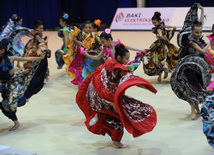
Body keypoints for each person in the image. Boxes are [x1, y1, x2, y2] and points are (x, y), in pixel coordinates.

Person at [76, 44, 157, 148]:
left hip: (104, 94)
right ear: (119, 58)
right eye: (127, 58)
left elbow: (99, 73)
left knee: (113, 116)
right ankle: (113, 134)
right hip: (112, 96)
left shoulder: (109, 62)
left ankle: (99, 116)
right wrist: (147, 87)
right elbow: (132, 81)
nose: (128, 60)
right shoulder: (121, 69)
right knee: (123, 114)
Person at [171, 3, 211, 120]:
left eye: (200, 32)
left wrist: (202, 10)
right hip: (187, 69)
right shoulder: (190, 40)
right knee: (189, 87)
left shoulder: (197, 35)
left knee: (198, 85)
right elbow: (203, 51)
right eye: (197, 32)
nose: (199, 35)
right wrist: (209, 41)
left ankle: (197, 108)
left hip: (198, 67)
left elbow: (201, 22)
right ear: (191, 31)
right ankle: (192, 110)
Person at [0, 39, 45, 131]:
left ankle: (23, 98)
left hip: (13, 84)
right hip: (4, 87)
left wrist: (40, 58)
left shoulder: (11, 58)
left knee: (9, 103)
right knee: (4, 106)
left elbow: (27, 59)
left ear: (2, 51)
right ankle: (16, 123)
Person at [142, 12, 179, 82]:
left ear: (159, 21)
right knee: (160, 58)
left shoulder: (162, 25)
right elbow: (160, 34)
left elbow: (167, 27)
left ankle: (166, 71)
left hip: (165, 43)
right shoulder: (158, 29)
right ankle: (160, 74)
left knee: (168, 56)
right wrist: (160, 36)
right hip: (160, 44)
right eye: (153, 23)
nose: (154, 24)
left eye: (155, 23)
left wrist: (172, 27)